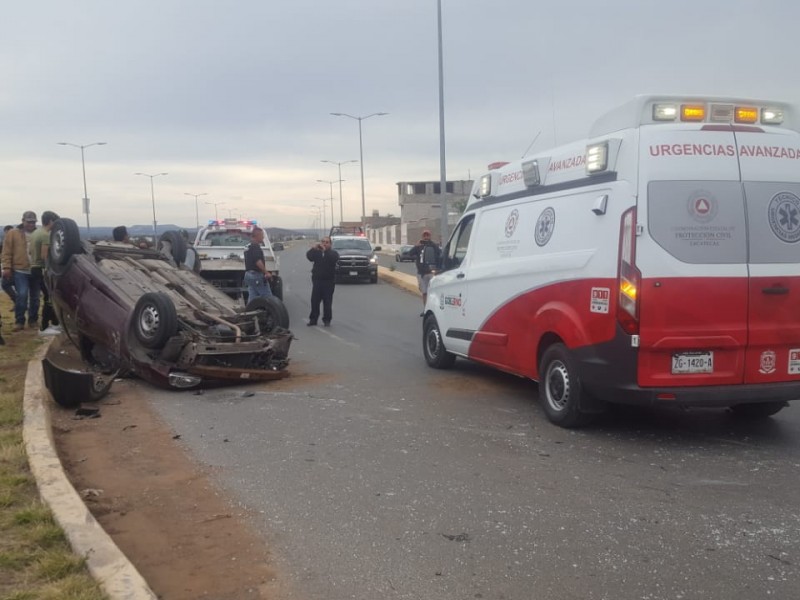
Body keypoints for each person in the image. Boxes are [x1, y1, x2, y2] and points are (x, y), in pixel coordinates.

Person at [1, 211, 39, 331]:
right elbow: (6, 251)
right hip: (19, 270)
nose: (31, 224)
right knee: (22, 295)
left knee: (35, 297)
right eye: (28, 222)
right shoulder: (13, 233)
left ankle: (33, 320)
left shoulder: (39, 234)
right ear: (23, 221)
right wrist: (6, 267)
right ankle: (20, 320)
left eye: (33, 222)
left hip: (36, 270)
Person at [29, 211, 61, 335]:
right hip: (41, 269)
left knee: (48, 297)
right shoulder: (45, 235)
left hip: (34, 267)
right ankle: (44, 327)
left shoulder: (35, 233)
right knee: (49, 298)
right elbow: (44, 256)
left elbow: (31, 252)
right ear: (51, 221)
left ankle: (54, 323)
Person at [305, 237, 339, 326]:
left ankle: (327, 320)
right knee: (314, 301)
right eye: (323, 242)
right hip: (317, 281)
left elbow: (333, 259)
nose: (324, 244)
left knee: (327, 302)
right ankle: (313, 319)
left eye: (327, 242)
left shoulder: (333, 253)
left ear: (330, 244)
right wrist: (313, 248)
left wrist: (326, 251)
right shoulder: (317, 252)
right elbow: (309, 257)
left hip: (329, 281)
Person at [408, 229, 442, 316]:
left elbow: (440, 255)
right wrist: (416, 245)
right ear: (422, 236)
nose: (426, 237)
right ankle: (426, 310)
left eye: (428, 235)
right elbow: (410, 254)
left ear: (430, 236)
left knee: (433, 292)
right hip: (421, 274)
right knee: (424, 292)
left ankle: (434, 311)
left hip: (431, 273)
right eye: (424, 235)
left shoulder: (434, 246)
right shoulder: (419, 246)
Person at [243, 226, 273, 302]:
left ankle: (249, 312)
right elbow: (257, 261)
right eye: (262, 235)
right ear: (257, 235)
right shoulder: (255, 246)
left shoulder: (248, 246)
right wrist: (266, 273)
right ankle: (272, 313)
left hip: (248, 275)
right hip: (256, 275)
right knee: (269, 299)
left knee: (252, 298)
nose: (263, 237)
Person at [1, 225, 18, 304]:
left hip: (13, 268)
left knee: (5, 284)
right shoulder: (5, 242)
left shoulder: (15, 242)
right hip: (10, 267)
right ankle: (18, 302)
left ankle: (17, 302)